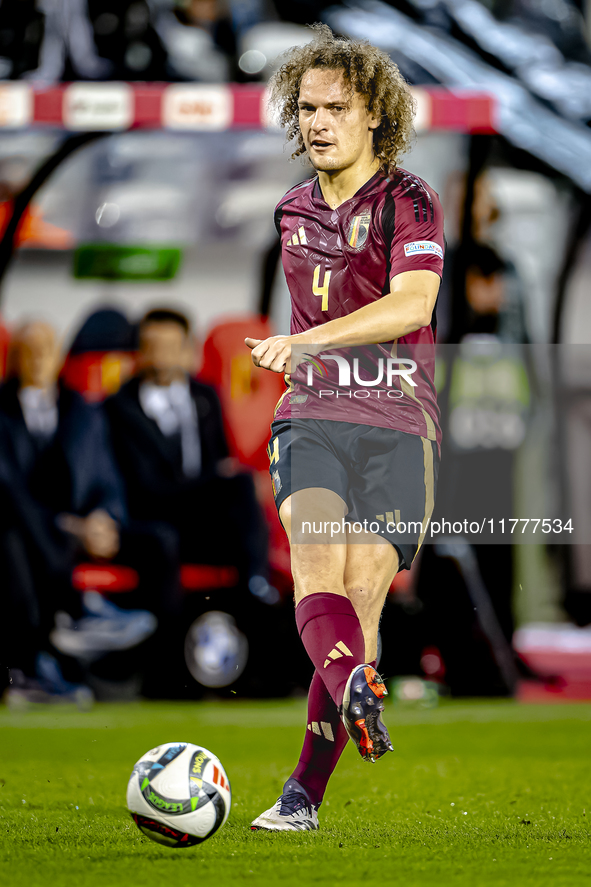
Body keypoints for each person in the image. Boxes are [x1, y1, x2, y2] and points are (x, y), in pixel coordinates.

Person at [246, 25, 444, 831]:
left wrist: (305, 340)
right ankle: (312, 774)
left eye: (336, 107)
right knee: (315, 557)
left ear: (373, 117)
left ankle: (307, 784)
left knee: (359, 603)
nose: (318, 121)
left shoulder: (410, 200)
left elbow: (413, 305)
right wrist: (305, 357)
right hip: (315, 413)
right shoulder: (291, 208)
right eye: (306, 107)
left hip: (400, 416)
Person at [0, 321, 158, 706]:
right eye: (29, 350)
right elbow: (8, 485)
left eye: (46, 349)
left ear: (59, 358)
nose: (38, 359)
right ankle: (73, 613)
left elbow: (105, 475)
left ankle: (39, 666)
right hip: (24, 525)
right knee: (10, 527)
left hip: (71, 530)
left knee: (160, 540)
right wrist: (66, 526)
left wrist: (105, 517)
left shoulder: (83, 410)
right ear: (15, 358)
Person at [104, 308, 272, 598]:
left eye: (170, 347)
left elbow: (220, 456)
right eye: (152, 346)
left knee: (246, 491)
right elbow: (142, 483)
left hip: (202, 515)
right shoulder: (120, 405)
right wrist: (219, 478)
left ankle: (256, 589)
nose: (161, 356)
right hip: (154, 510)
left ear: (186, 350)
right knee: (239, 485)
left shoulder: (205, 395)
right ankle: (256, 587)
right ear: (139, 351)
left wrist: (224, 476)